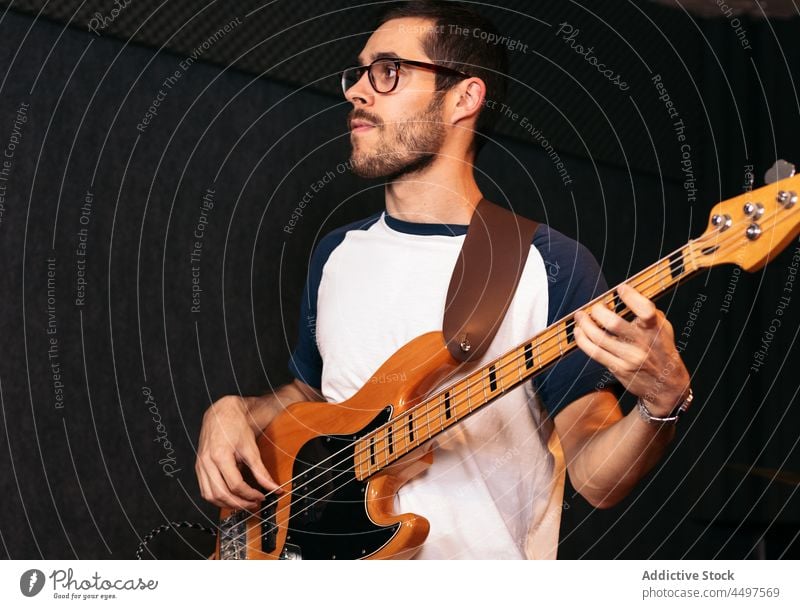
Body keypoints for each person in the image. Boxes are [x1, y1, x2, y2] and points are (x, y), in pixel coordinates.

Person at [195, 1, 692, 559]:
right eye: (358, 73)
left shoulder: (547, 265)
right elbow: (313, 398)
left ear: (463, 97)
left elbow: (598, 480)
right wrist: (233, 411)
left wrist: (662, 401)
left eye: (388, 72)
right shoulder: (337, 253)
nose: (357, 91)